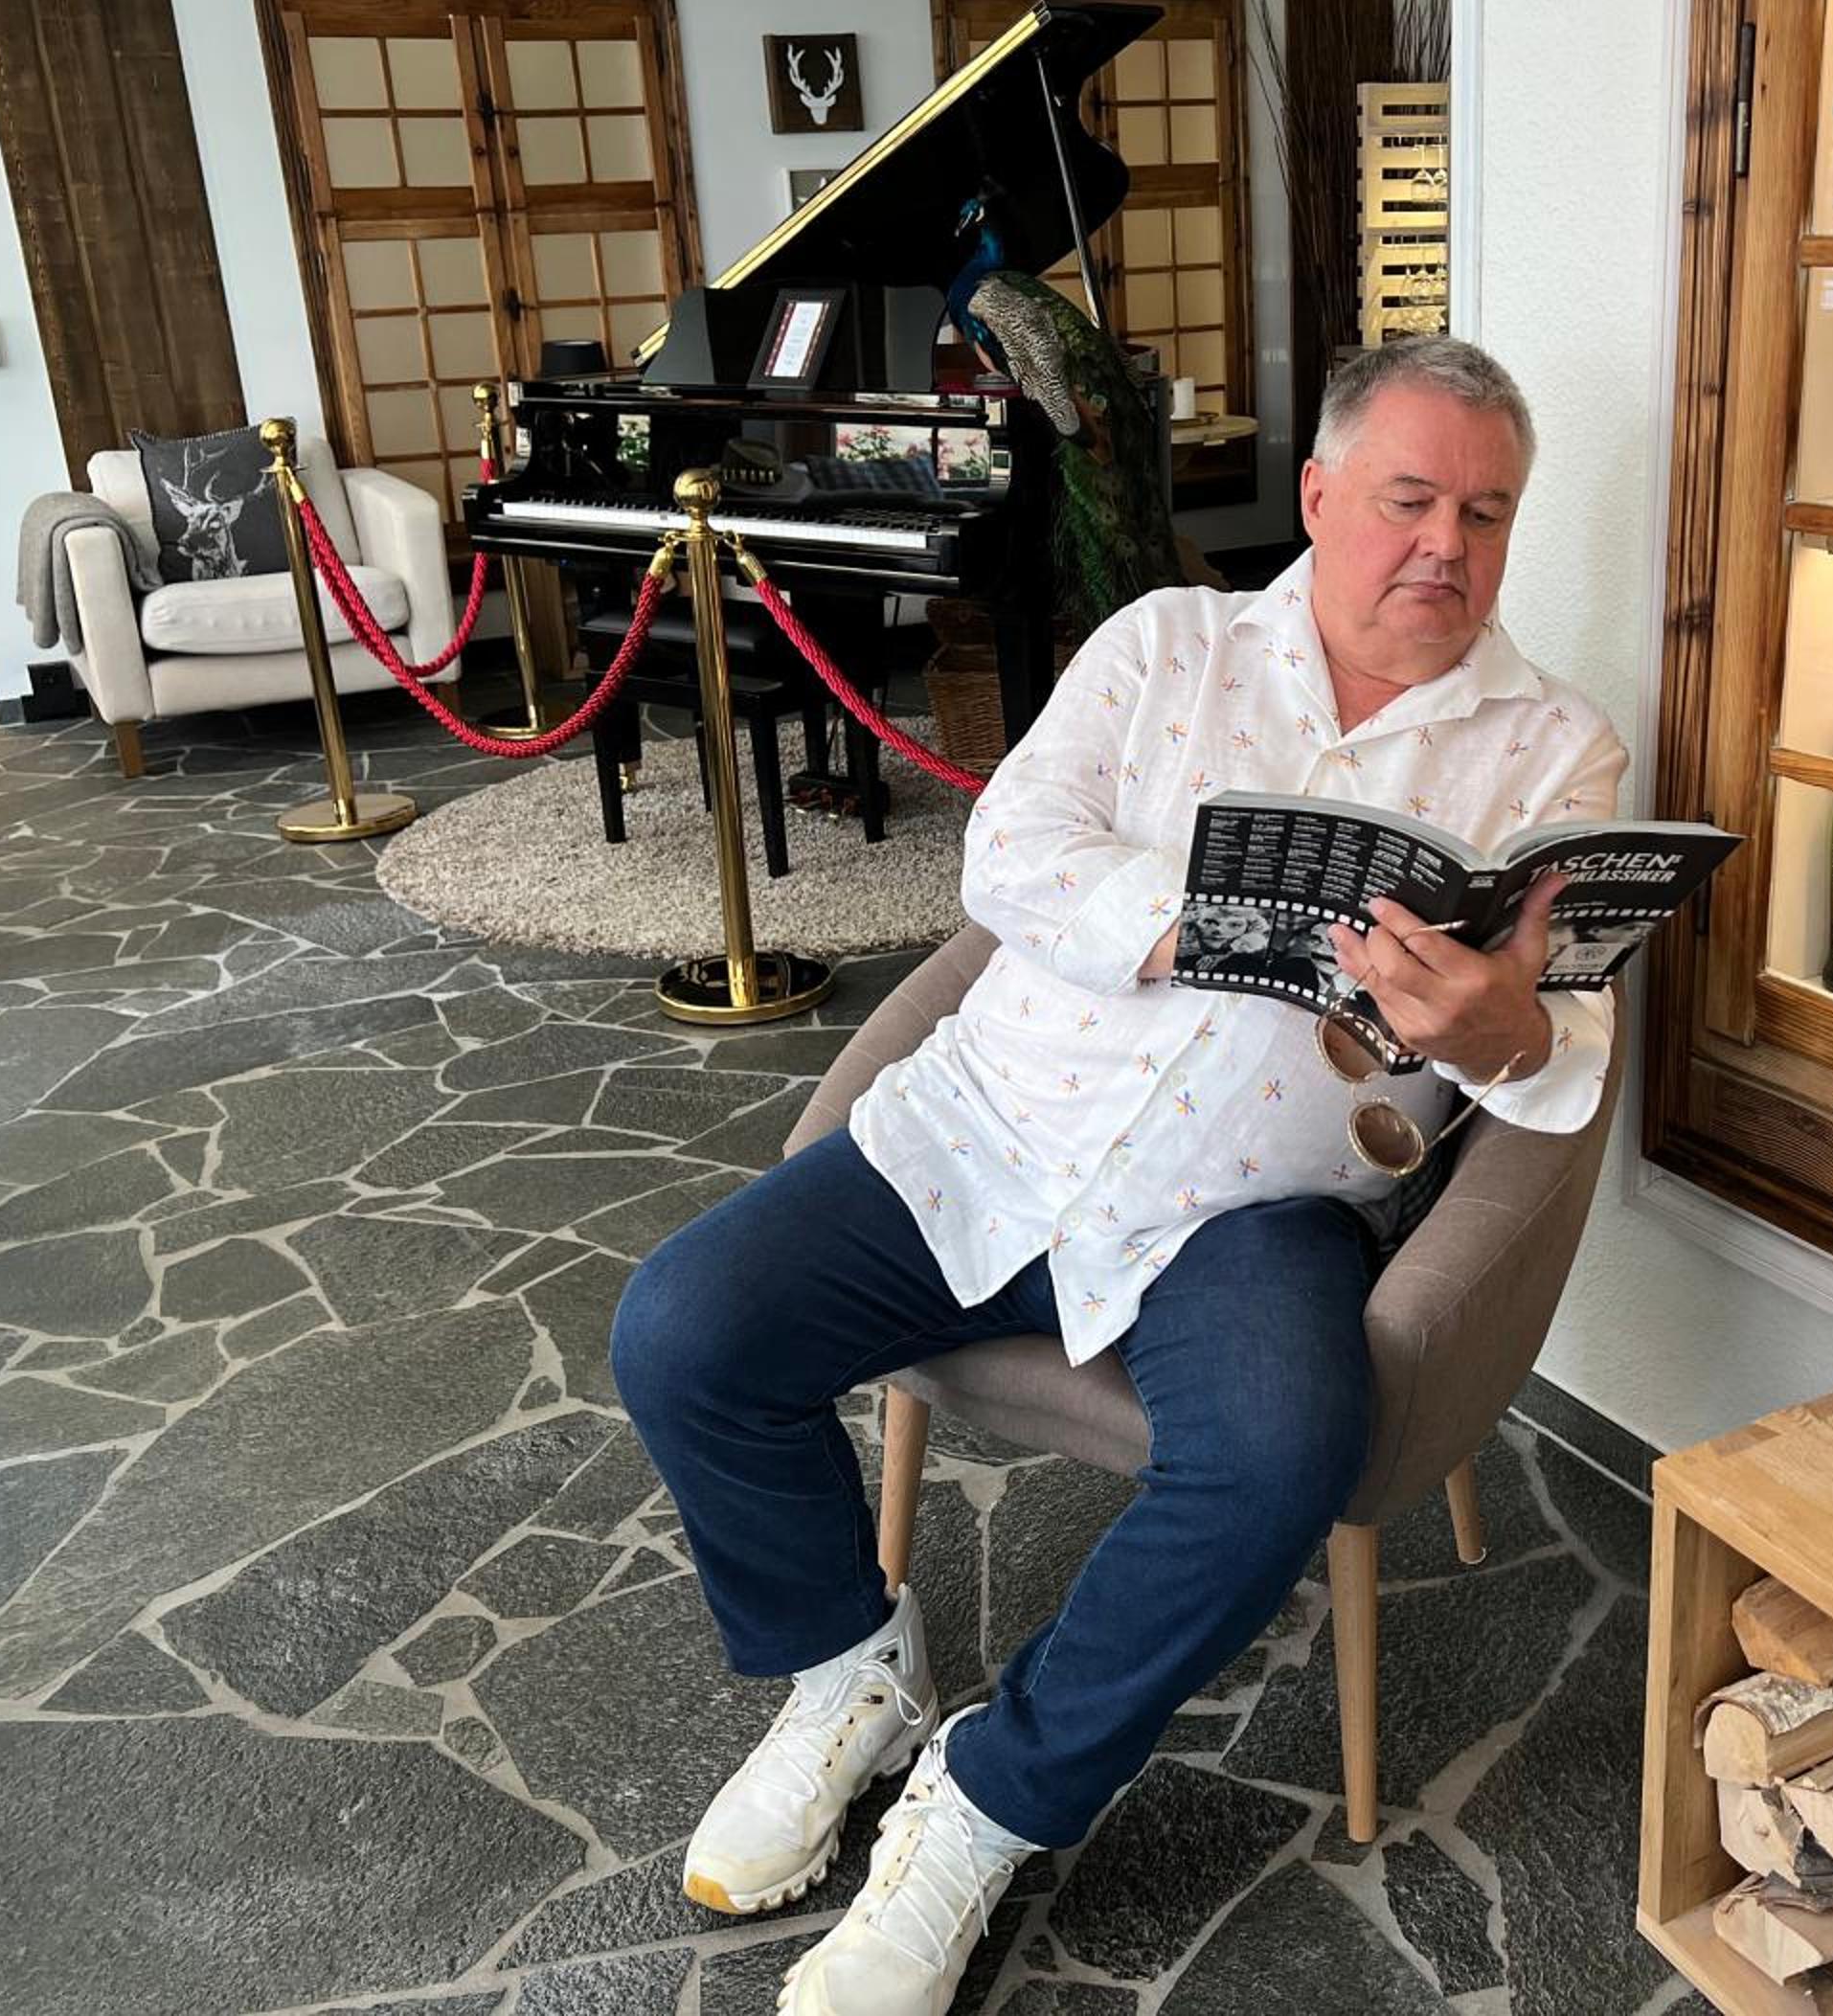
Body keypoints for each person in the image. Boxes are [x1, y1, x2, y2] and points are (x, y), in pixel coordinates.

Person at [610, 335, 1629, 2015]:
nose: (1447, 544)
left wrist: (1504, 1031)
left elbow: (1564, 1043)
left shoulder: (1553, 752)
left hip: (1254, 1214)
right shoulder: (1166, 644)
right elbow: (1009, 848)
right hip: (997, 1127)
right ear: (1321, 495)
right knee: (681, 1329)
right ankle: (848, 1666)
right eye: (1410, 500)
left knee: (1283, 1448)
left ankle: (987, 1800)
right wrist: (1202, 923)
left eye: (1488, 512)